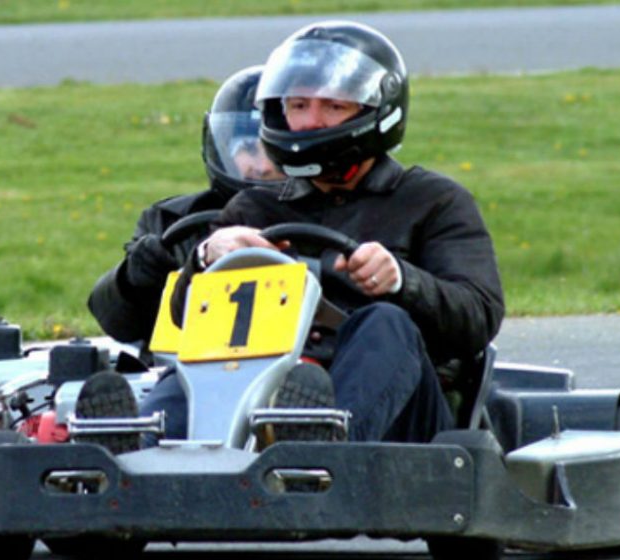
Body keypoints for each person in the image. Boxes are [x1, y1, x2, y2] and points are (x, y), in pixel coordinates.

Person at [169, 20, 505, 444]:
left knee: (385, 321)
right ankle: (128, 446)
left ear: (374, 113)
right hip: (266, 392)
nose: (310, 122)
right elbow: (187, 322)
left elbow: (478, 316)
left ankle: (323, 444)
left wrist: (403, 281)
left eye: (332, 107)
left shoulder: (432, 201)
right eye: (298, 105)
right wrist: (206, 258)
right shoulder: (254, 208)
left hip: (403, 418)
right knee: (183, 369)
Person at [86, 65, 285, 347]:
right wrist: (134, 279)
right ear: (221, 148)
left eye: (273, 153)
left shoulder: (324, 212)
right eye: (248, 149)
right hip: (183, 370)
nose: (262, 167)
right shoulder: (172, 220)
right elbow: (117, 324)